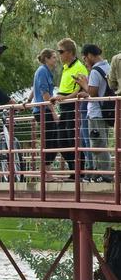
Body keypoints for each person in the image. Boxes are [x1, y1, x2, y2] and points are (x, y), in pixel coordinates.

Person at [50, 38, 88, 179]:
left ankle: (80, 172)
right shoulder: (66, 68)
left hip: (74, 107)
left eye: (61, 52)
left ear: (70, 52)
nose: (59, 55)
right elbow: (64, 90)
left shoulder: (79, 67)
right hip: (64, 107)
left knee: (74, 140)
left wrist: (62, 98)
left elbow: (80, 91)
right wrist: (58, 97)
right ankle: (74, 171)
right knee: (61, 141)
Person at [75, 44, 112, 182]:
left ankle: (105, 175)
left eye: (85, 58)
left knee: (98, 145)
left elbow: (94, 93)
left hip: (96, 113)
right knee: (99, 143)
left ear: (90, 55)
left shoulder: (96, 71)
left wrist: (84, 84)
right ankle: (99, 174)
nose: (85, 61)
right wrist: (87, 92)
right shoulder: (107, 67)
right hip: (104, 112)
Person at [31, 48, 59, 177]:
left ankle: (47, 170)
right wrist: (53, 112)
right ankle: (46, 173)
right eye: (53, 57)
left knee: (52, 139)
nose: (56, 59)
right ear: (47, 59)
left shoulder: (46, 71)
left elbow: (35, 88)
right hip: (44, 111)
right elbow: (44, 93)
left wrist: (28, 100)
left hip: (44, 109)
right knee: (49, 140)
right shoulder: (42, 71)